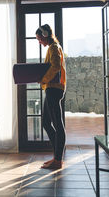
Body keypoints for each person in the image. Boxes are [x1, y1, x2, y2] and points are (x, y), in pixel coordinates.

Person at [36, 24, 67, 169]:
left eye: (39, 38)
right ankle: (56, 157)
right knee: (47, 124)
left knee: (57, 125)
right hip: (51, 88)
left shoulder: (54, 47)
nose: (39, 42)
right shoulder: (53, 47)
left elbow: (55, 67)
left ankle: (58, 160)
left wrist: (43, 79)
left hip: (53, 89)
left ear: (45, 35)